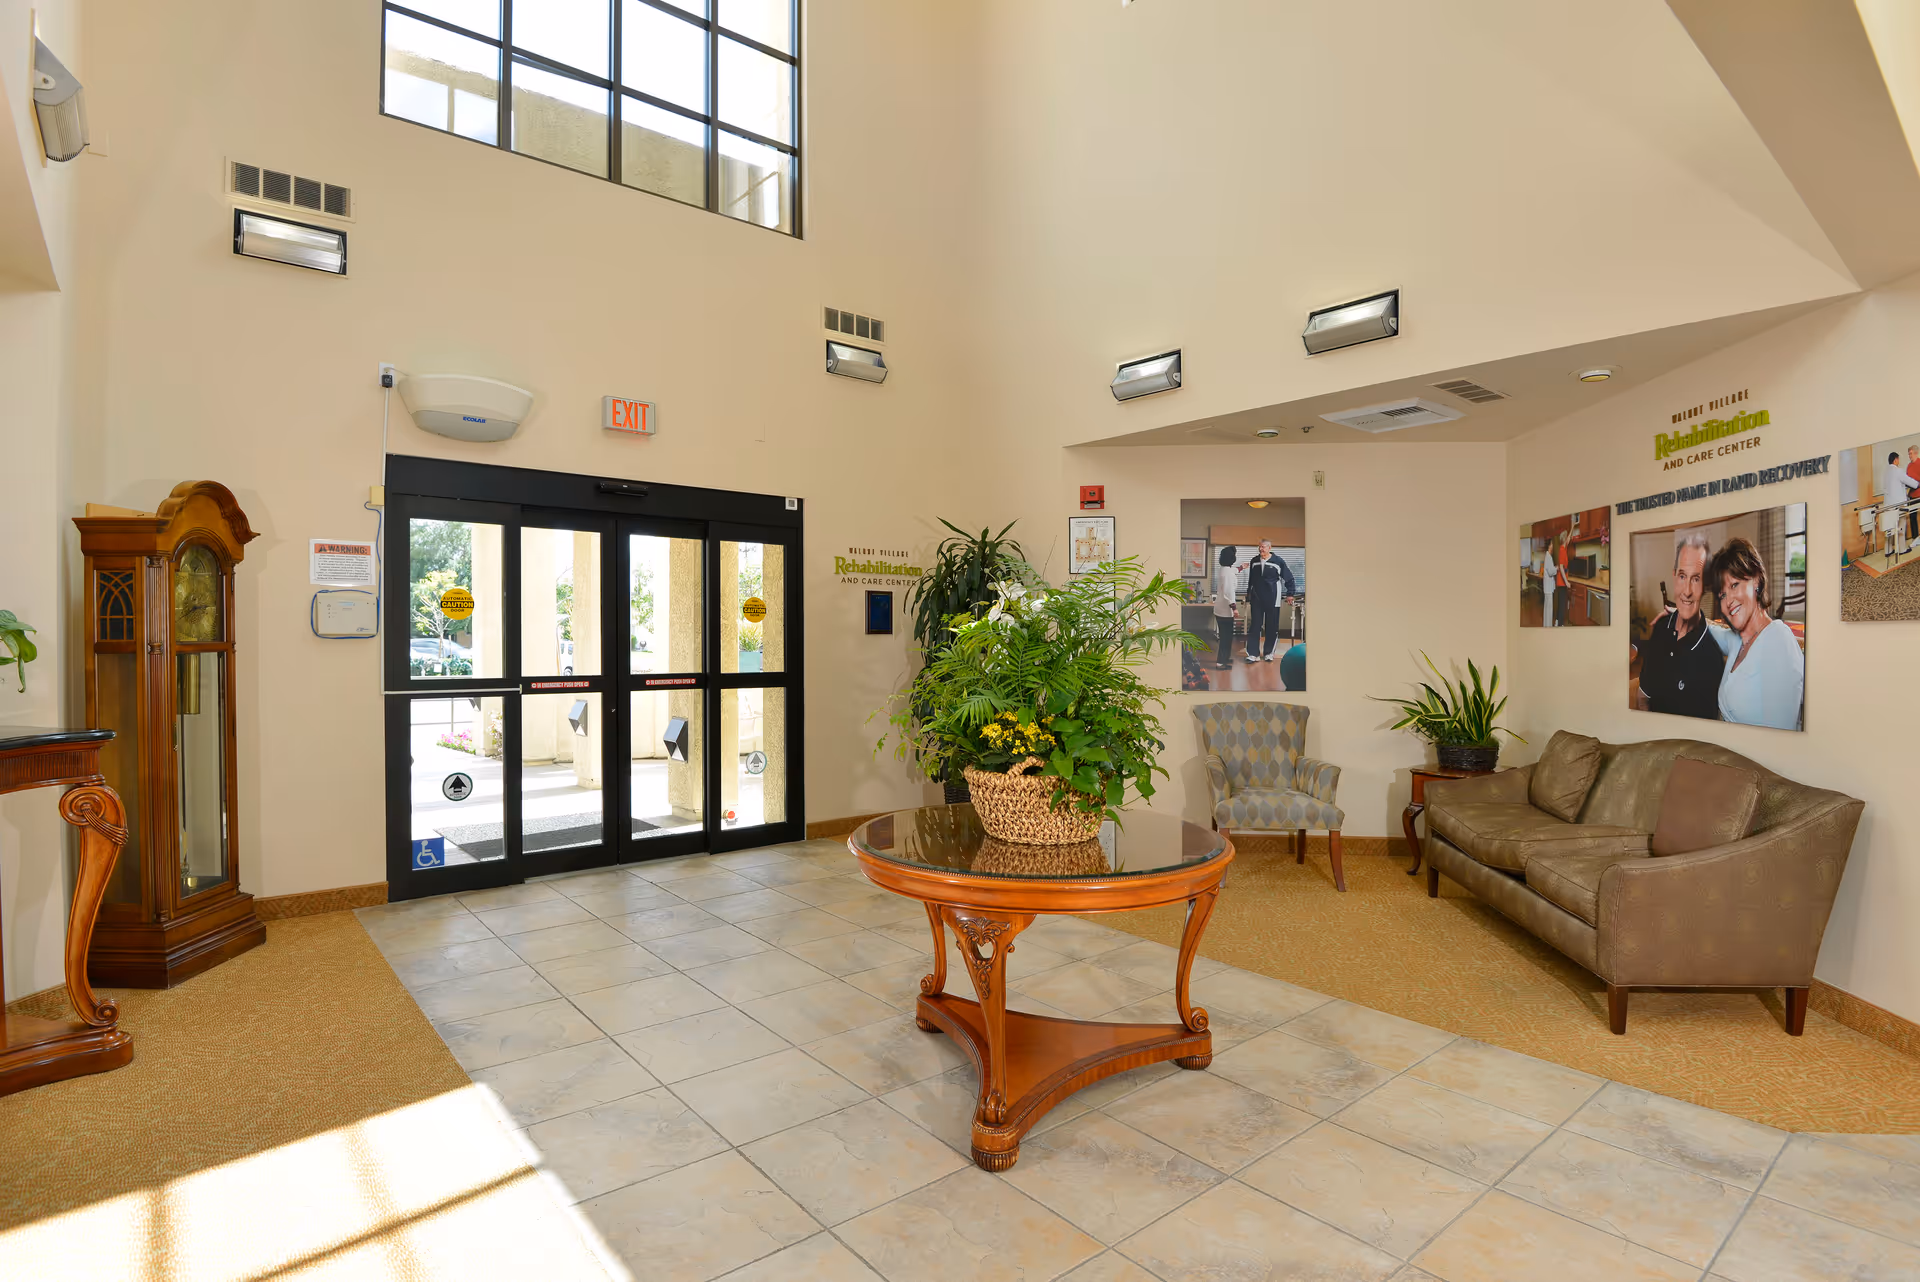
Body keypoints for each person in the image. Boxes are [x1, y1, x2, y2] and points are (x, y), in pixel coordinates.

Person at [1706, 536, 1805, 731]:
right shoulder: (1739, 640)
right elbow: (1712, 630)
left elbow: (1780, 739)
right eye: (1722, 595)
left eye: (1734, 585)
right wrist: (1682, 614)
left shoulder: (1778, 639)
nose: (1728, 601)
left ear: (1757, 580)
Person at [1637, 531, 1724, 720]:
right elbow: (1643, 699)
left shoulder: (1711, 658)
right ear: (1674, 576)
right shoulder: (1660, 628)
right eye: (1683, 576)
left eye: (1696, 579)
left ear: (1705, 586)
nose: (1687, 591)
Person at [1244, 539, 1297, 662]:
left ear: (1269, 548)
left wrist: (1290, 594)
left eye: (1263, 547)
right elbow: (1251, 580)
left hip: (1273, 598)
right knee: (1255, 626)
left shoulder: (1278, 561)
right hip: (1257, 598)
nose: (1261, 549)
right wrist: (1248, 595)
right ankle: (1253, 654)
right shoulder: (1254, 561)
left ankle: (1268, 653)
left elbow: (1289, 578)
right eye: (1259, 547)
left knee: (1271, 626)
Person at [1211, 545, 1240, 670]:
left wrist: (1241, 568)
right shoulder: (1227, 573)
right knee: (1225, 637)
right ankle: (1220, 663)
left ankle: (1225, 658)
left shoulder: (1223, 569)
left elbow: (1233, 571)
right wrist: (1234, 608)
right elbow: (1229, 592)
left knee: (1227, 636)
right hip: (1225, 611)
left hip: (1220, 609)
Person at [1884, 451, 1918, 553]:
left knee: (1889, 527)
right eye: (1898, 459)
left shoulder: (1886, 472)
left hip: (1887, 504)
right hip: (1899, 504)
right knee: (1901, 526)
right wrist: (1917, 484)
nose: (1899, 461)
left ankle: (1888, 550)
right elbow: (1912, 483)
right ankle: (1902, 549)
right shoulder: (1898, 471)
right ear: (1895, 460)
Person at [1907, 444, 1920, 542]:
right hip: (1912, 495)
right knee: (1912, 516)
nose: (1909, 456)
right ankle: (1915, 537)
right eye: (1909, 454)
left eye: (1911, 454)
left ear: (1916, 453)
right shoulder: (1909, 466)